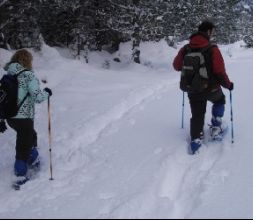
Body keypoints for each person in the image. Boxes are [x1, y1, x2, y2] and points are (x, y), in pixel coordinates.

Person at [173, 21, 234, 154]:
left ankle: (196, 141)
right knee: (219, 100)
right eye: (212, 31)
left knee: (197, 114)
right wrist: (228, 85)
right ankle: (216, 127)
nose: (212, 34)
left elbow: (176, 66)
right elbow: (219, 72)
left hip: (193, 89)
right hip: (211, 89)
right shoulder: (212, 49)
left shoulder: (186, 48)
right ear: (208, 31)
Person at [0, 49, 52, 184]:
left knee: (31, 136)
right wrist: (47, 93)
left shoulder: (8, 74)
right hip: (23, 117)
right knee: (23, 145)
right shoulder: (28, 76)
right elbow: (38, 97)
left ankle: (32, 157)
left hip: (10, 117)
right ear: (28, 61)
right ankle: (20, 175)